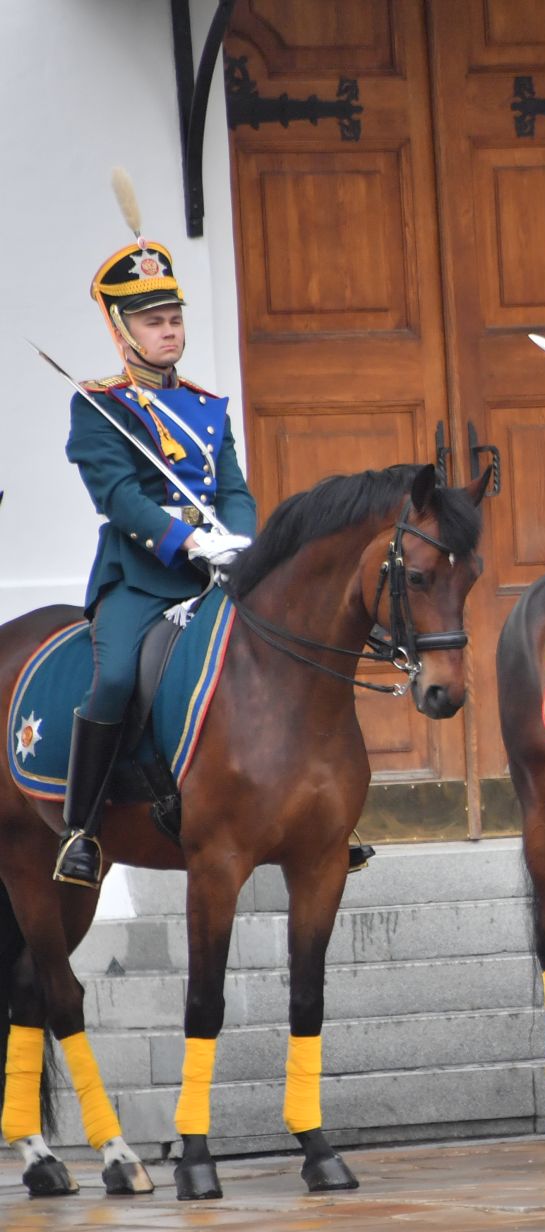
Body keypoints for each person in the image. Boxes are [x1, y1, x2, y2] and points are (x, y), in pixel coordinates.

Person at [56, 170, 257, 888]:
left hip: (217, 572)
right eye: (151, 320)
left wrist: (239, 542)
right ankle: (81, 828)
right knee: (113, 682)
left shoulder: (207, 405)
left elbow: (232, 486)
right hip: (141, 577)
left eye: (173, 317)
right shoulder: (99, 407)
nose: (167, 330)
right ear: (121, 329)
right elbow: (119, 500)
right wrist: (188, 542)